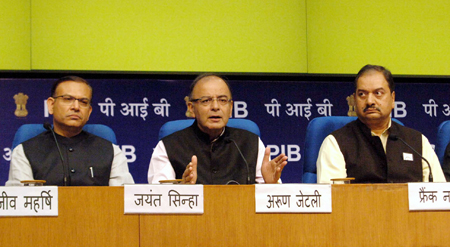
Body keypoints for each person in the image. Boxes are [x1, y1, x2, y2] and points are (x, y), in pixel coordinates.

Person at [148, 73, 288, 184]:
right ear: (191, 108)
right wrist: (182, 190)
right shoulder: (168, 146)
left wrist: (271, 185)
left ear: (231, 107)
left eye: (222, 100)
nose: (215, 107)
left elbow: (269, 205)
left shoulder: (251, 143)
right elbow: (159, 200)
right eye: (206, 101)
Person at [317, 64, 445, 183]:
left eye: (378, 93)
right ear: (355, 99)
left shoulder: (417, 142)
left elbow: (440, 196)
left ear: (392, 98)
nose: (370, 101)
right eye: (362, 94)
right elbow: (334, 200)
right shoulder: (336, 143)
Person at [6, 76, 134, 186]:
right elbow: (20, 204)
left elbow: (123, 201)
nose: (76, 107)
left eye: (83, 102)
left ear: (89, 112)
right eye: (68, 99)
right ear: (51, 105)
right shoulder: (25, 151)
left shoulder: (112, 152)